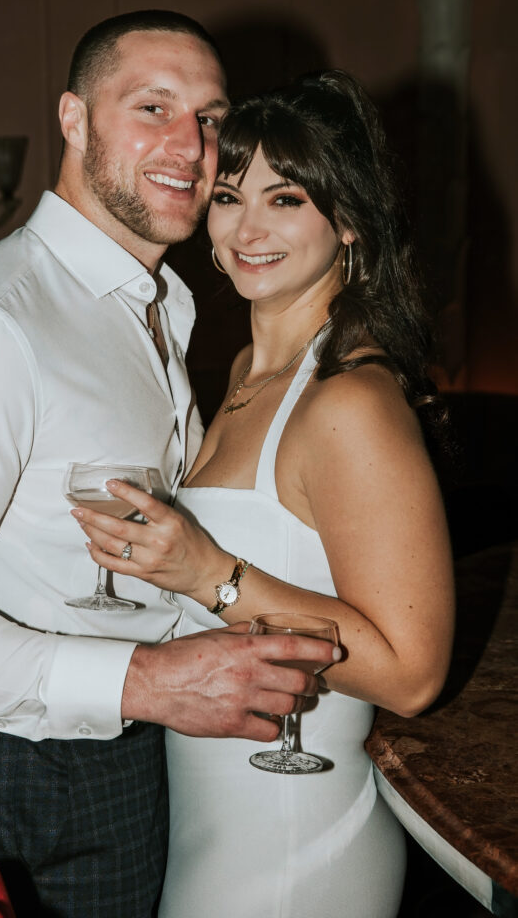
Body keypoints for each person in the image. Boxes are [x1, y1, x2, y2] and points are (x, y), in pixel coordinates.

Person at [0, 12, 339, 918]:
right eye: (152, 107)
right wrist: (147, 681)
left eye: (211, 118)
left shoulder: (158, 308)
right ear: (73, 121)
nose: (190, 145)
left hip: (128, 764)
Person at [73, 71, 456, 918]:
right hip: (212, 813)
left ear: (347, 220)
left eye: (285, 200)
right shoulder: (248, 373)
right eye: (227, 197)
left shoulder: (347, 402)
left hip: (294, 836)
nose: (247, 229)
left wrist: (208, 570)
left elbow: (411, 672)